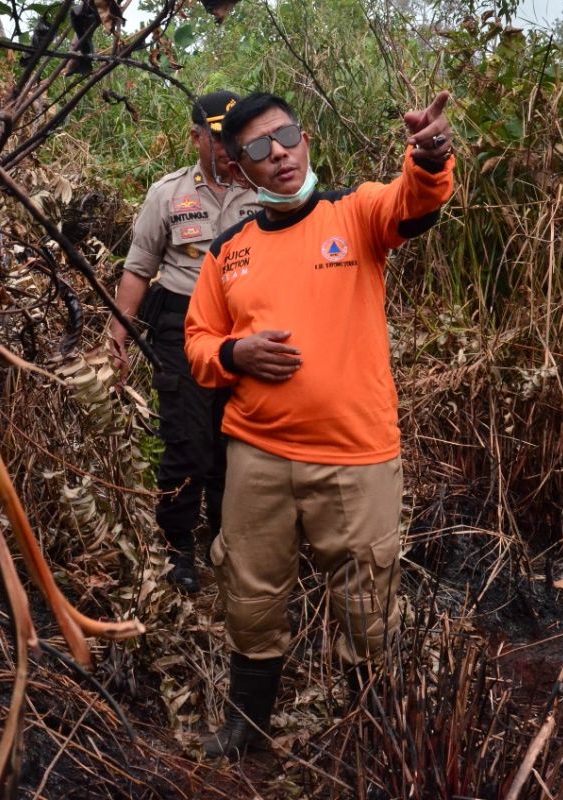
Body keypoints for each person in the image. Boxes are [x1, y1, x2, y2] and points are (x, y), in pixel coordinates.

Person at [184, 91, 457, 758]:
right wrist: (232, 353)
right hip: (257, 455)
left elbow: (415, 201)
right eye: (256, 148)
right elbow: (196, 343)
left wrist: (430, 154)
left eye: (286, 137)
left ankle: (371, 740)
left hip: (355, 456)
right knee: (250, 595)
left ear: (305, 140)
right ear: (239, 167)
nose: (276, 153)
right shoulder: (228, 252)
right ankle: (245, 735)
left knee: (368, 606)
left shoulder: (355, 212)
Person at [105, 91, 261, 594]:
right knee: (187, 444)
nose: (224, 147)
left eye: (232, 136)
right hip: (181, 327)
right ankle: (178, 551)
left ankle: (224, 545)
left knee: (233, 447)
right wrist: (117, 338)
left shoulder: (262, 188)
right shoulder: (167, 194)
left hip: (246, 330)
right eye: (215, 137)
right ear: (195, 136)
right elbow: (138, 270)